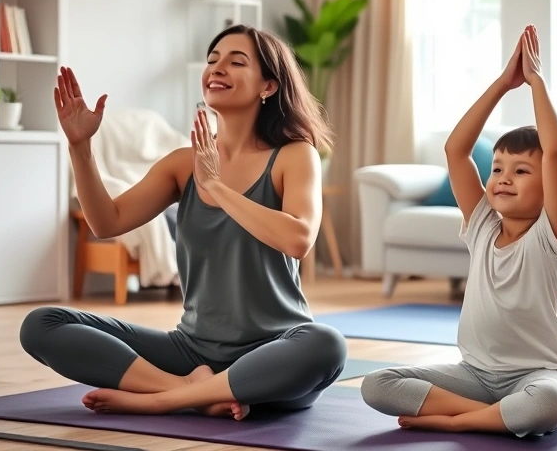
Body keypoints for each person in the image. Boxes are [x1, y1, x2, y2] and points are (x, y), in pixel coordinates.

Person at [19, 24, 347, 420]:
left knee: (327, 343)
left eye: (236, 61)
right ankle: (188, 390)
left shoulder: (295, 156)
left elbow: (298, 239)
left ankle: (160, 400)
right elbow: (107, 222)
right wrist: (80, 147)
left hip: (275, 352)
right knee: (42, 324)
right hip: (191, 352)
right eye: (212, 61)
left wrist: (218, 187)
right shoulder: (181, 163)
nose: (217, 68)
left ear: (268, 86)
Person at [360, 25, 557, 437]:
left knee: (548, 405)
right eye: (498, 168)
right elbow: (456, 150)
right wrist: (502, 83)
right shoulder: (483, 224)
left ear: (556, 188)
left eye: (521, 171)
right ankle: (492, 417)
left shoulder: (551, 237)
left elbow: (554, 151)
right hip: (475, 376)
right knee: (377, 385)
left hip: (538, 376)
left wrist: (535, 82)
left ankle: (460, 421)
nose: (502, 177)